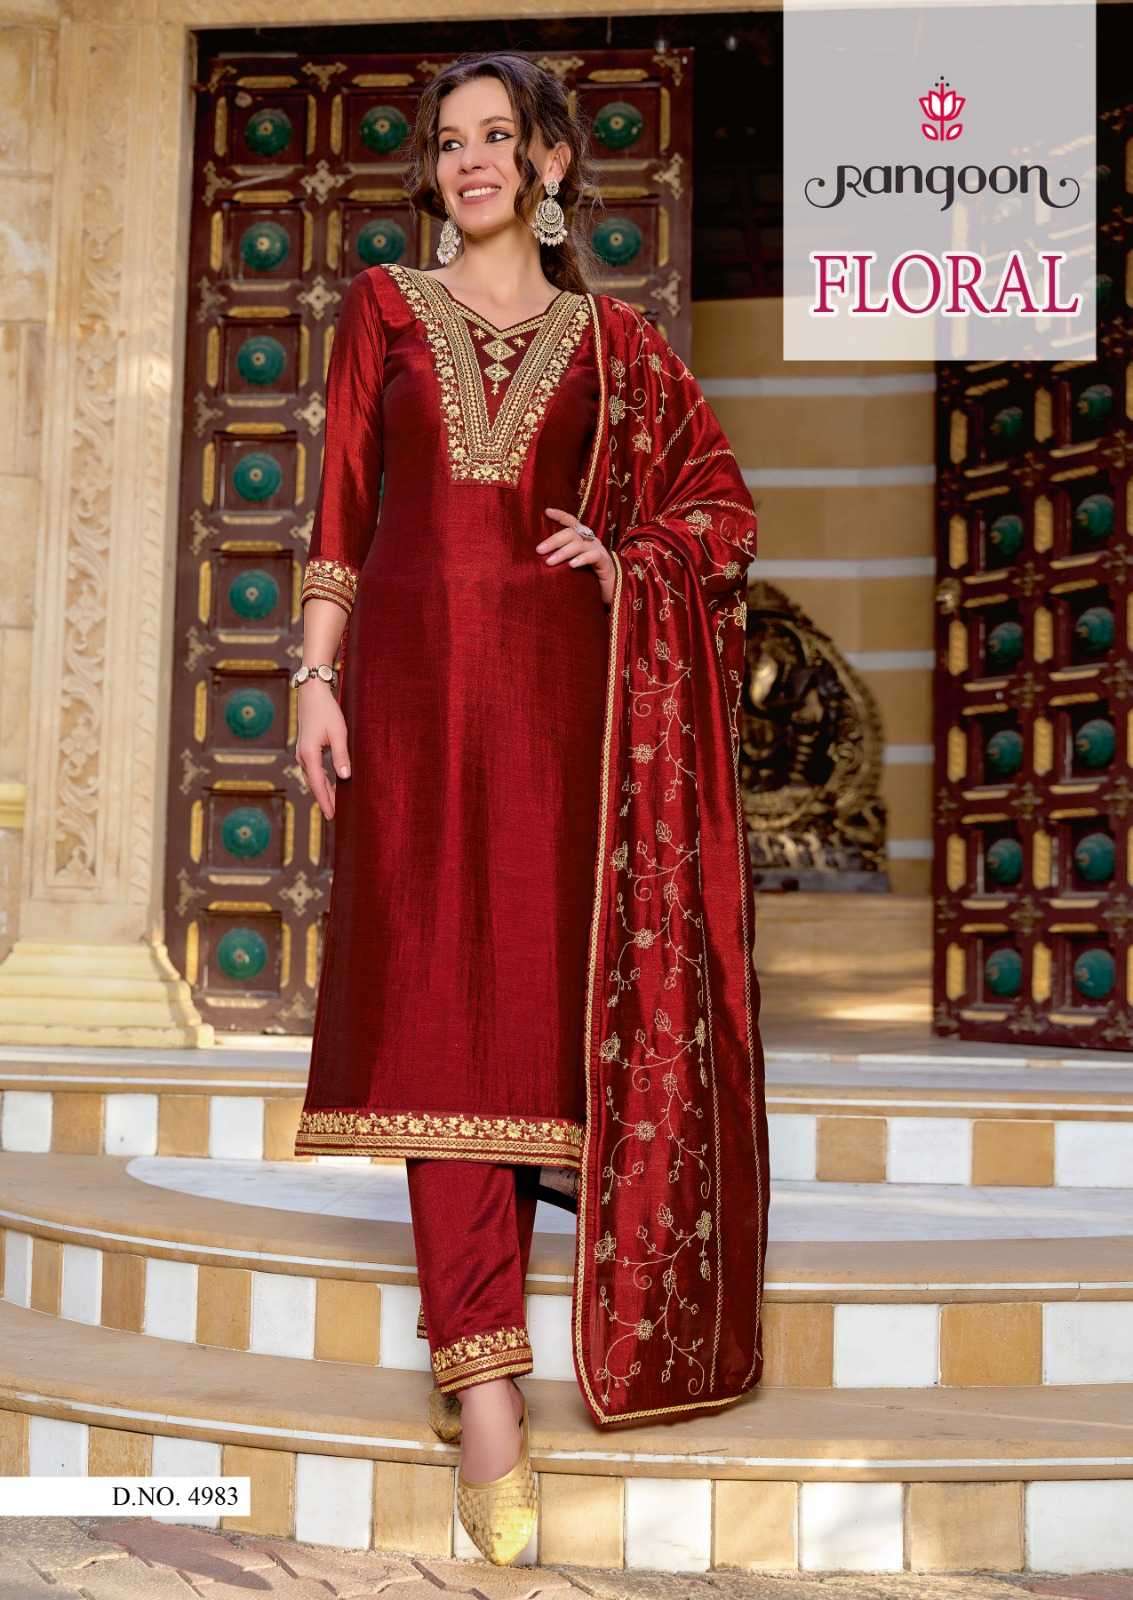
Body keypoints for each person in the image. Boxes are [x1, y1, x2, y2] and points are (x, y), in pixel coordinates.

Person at [293, 50, 770, 1567]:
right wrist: (314, 677)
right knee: (438, 1009)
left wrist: (634, 565)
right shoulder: (383, 308)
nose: (473, 161)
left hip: (568, 709)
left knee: (526, 1012)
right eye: (450, 142)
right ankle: (485, 1385)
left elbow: (719, 506)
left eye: (500, 137)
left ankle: (474, 1336)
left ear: (553, 163)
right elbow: (342, 503)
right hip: (412, 695)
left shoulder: (617, 346)